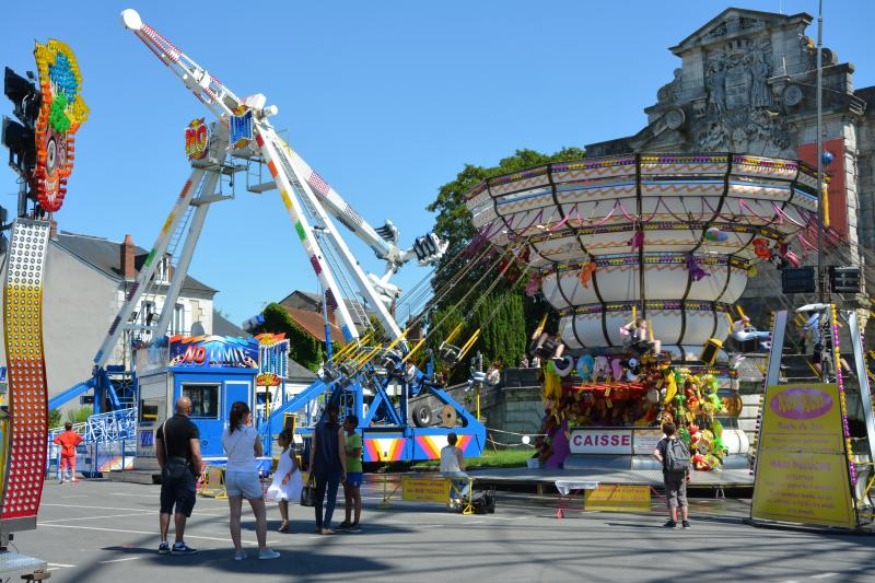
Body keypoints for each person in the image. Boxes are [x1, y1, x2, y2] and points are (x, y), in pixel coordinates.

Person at [222, 401, 280, 560]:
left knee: (235, 514)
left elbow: (228, 450)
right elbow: (259, 451)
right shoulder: (252, 432)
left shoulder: (226, 432)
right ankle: (263, 549)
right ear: (245, 415)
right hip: (247, 473)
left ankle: (238, 551)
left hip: (231, 473)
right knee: (260, 512)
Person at [155, 396, 201, 555]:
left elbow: (159, 452)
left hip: (168, 469)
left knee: (166, 506)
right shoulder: (191, 427)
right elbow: (195, 453)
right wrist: (199, 470)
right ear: (188, 409)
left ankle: (163, 542)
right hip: (185, 470)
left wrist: (165, 467)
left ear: (176, 408)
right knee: (182, 506)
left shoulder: (164, 426)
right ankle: (179, 543)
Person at [309, 403, 346, 535]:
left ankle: (318, 525)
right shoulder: (339, 429)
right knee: (331, 498)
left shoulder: (317, 428)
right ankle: (326, 526)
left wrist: (310, 467)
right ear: (337, 413)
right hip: (334, 467)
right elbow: (341, 451)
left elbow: (313, 448)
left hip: (319, 466)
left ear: (325, 412)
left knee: (319, 497)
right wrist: (344, 469)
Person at [652, 422, 691, 529]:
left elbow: (655, 453)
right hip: (682, 472)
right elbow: (687, 457)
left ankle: (673, 521)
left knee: (671, 496)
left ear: (664, 431)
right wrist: (688, 473)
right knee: (682, 496)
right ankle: (685, 521)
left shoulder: (663, 442)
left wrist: (663, 462)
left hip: (669, 472)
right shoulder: (682, 441)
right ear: (675, 430)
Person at [264, 429, 303, 534]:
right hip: (282, 477)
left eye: (280, 439)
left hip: (288, 478)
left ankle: (285, 521)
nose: (278, 441)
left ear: (286, 440)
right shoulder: (283, 451)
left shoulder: (291, 451)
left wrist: (288, 475)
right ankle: (285, 521)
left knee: (281, 498)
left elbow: (295, 464)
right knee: (282, 499)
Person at [338, 415, 363, 532]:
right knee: (347, 495)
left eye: (346, 422)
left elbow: (356, 454)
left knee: (355, 495)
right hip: (346, 470)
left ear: (352, 425)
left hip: (355, 470)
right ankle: (347, 520)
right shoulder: (345, 437)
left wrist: (344, 451)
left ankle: (356, 521)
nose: (344, 423)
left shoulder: (356, 437)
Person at [440, 432, 470, 506]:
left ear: (448, 440)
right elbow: (462, 466)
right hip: (454, 472)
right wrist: (464, 473)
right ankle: (462, 497)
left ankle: (451, 500)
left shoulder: (443, 449)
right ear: (456, 440)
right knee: (469, 481)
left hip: (444, 472)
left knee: (455, 483)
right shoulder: (458, 450)